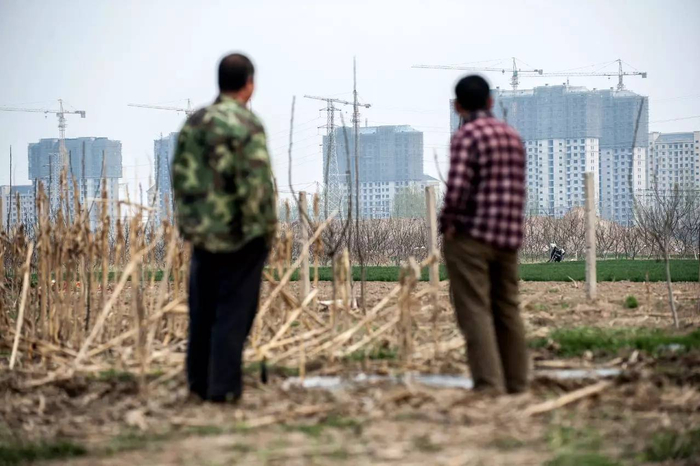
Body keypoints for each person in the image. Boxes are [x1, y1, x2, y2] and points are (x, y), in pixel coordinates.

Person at [172, 53, 277, 403]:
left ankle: (198, 383)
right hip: (240, 235)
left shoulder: (195, 122)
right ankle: (224, 387)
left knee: (202, 311)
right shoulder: (246, 123)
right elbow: (256, 183)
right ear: (249, 84)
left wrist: (191, 224)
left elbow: (179, 176)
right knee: (234, 311)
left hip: (202, 234)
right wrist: (263, 230)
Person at [440, 75, 529, 394]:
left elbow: (457, 190)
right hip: (507, 238)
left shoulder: (466, 136)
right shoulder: (512, 136)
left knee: (475, 309)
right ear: (491, 102)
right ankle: (517, 383)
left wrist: (446, 225)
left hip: (472, 237)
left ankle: (489, 384)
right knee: (508, 308)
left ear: (458, 106)